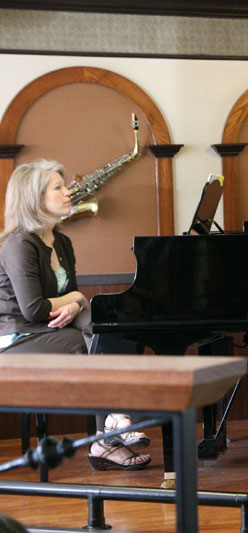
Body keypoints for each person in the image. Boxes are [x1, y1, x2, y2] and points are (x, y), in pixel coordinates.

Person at [0, 159, 150, 471]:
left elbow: (68, 305)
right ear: (35, 198)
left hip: (50, 327)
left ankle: (110, 430)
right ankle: (112, 431)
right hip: (16, 337)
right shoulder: (18, 243)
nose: (69, 192)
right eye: (58, 187)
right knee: (81, 343)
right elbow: (34, 309)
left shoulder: (63, 242)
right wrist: (76, 298)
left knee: (110, 327)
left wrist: (74, 303)